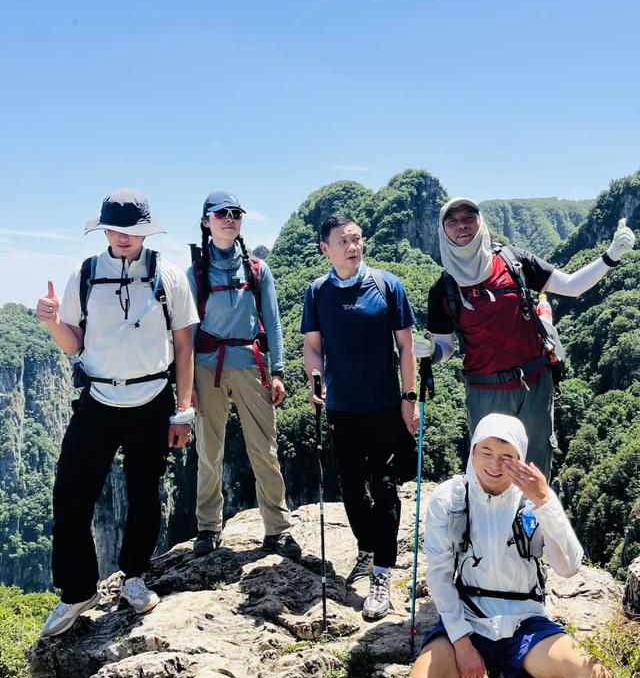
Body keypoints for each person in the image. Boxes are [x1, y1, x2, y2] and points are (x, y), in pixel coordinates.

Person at [377, 413, 610, 678]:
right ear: (472, 451)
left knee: (594, 675)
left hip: (526, 623)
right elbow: (439, 575)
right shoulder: (450, 499)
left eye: (507, 456)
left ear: (520, 459)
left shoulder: (532, 500)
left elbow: (569, 566)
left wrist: (545, 500)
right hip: (468, 616)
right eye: (485, 451)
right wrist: (462, 642)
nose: (494, 464)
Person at [36, 189, 199, 637]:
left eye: (134, 230)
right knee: (70, 496)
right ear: (104, 229)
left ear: (146, 231)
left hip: (152, 401)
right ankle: (77, 591)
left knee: (145, 494)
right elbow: (75, 343)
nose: (125, 237)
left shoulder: (168, 276)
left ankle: (134, 577)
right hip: (98, 401)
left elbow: (184, 346)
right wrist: (51, 320)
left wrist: (184, 410)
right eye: (117, 228)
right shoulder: (84, 275)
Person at [423, 198, 636, 476]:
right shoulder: (443, 289)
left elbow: (571, 286)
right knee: (491, 474)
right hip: (485, 392)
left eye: (469, 218)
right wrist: (430, 352)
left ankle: (533, 520)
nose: (462, 225)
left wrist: (610, 257)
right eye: (452, 221)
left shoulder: (514, 261)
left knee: (534, 473)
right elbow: (445, 346)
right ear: (443, 230)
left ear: (480, 221)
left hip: (534, 387)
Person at [301, 212, 419, 620]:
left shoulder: (387, 285)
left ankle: (382, 573)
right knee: (351, 488)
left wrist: (410, 398)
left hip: (385, 406)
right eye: (343, 240)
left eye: (357, 238)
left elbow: (406, 347)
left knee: (384, 487)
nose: (353, 246)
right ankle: (367, 548)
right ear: (325, 248)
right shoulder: (317, 293)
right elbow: (313, 348)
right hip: (342, 409)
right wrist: (315, 379)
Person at [188, 190, 300, 558]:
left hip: (251, 365)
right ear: (207, 222)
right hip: (207, 367)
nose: (230, 218)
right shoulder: (197, 272)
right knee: (208, 450)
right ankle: (208, 528)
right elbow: (185, 332)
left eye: (235, 213)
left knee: (264, 449)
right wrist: (185, 386)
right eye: (221, 214)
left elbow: (274, 322)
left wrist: (279, 370)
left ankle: (277, 527)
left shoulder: (256, 269)